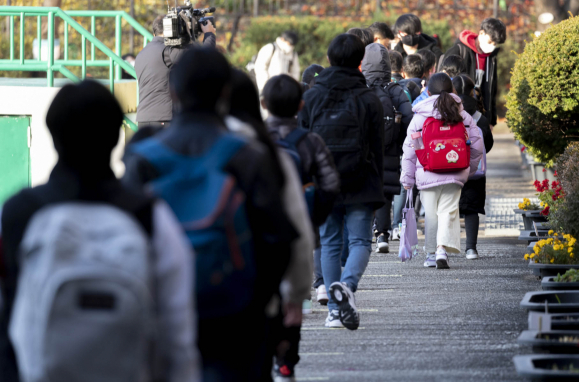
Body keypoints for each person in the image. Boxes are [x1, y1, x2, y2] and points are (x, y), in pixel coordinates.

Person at [0, 80, 200, 382]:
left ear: (54, 135)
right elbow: (177, 328)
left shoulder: (21, 212)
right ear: (114, 137)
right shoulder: (149, 215)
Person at [123, 47, 297, 381]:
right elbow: (277, 238)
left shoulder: (143, 160)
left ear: (173, 90)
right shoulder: (248, 155)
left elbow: (125, 238)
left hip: (160, 312)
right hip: (235, 312)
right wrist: (258, 301)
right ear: (225, 91)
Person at [299, 33, 384, 330]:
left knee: (329, 242)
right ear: (360, 61)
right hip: (360, 179)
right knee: (361, 241)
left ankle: (334, 310)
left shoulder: (311, 96)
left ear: (329, 58)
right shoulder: (368, 98)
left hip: (324, 181)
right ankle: (347, 287)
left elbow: (303, 140)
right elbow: (378, 145)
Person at [263, 74, 340, 381]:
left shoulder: (252, 140)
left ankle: (263, 355)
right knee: (295, 301)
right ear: (300, 104)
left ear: (264, 104)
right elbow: (331, 185)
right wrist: (312, 217)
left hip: (261, 230)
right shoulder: (310, 141)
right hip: (299, 230)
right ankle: (286, 362)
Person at [400, 73, 484, 269]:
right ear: (453, 91)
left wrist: (407, 178)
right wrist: (468, 170)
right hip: (455, 173)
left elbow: (409, 150)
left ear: (427, 92)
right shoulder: (462, 114)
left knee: (430, 214)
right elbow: (477, 145)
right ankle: (441, 249)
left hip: (427, 173)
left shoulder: (420, 116)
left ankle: (430, 254)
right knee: (448, 212)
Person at [361, 43, 413, 253]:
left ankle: (364, 234)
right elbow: (409, 119)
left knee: (365, 190)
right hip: (389, 150)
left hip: (364, 150)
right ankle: (383, 234)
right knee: (385, 192)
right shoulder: (395, 90)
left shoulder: (360, 90)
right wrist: (400, 144)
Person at [135, 14, 216, 128]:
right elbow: (204, 60)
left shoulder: (141, 54)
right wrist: (209, 34)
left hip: (144, 118)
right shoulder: (167, 51)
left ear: (154, 33)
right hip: (164, 118)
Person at [453, 74, 494, 260]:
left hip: (451, 167)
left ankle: (447, 248)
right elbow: (489, 144)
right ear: (472, 92)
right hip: (474, 171)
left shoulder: (447, 113)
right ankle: (471, 249)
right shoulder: (480, 118)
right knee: (471, 209)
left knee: (448, 208)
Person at [441, 18, 507, 127]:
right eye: (490, 42)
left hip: (480, 115)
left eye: (495, 44)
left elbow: (492, 90)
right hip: (458, 113)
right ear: (481, 33)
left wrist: (491, 120)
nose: (492, 46)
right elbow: (443, 79)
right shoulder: (459, 50)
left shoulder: (491, 58)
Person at [254, 31, 301, 96]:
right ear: (282, 39)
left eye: (292, 45)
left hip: (285, 90)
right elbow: (260, 67)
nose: (290, 46)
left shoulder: (293, 54)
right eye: (289, 44)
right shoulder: (270, 48)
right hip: (269, 87)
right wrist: (265, 86)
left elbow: (295, 71)